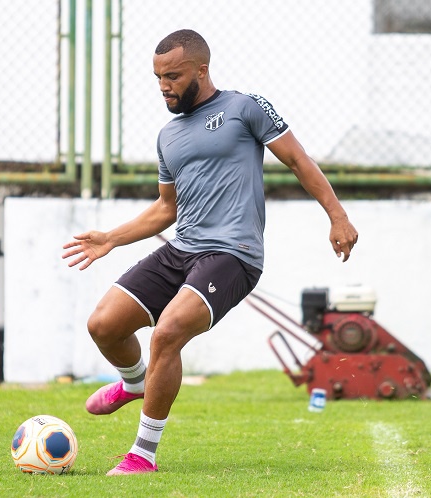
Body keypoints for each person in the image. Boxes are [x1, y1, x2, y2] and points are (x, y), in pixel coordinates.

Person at [62, 29, 358, 475]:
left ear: (202, 69)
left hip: (234, 254)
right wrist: (111, 239)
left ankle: (142, 455)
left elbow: (299, 160)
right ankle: (135, 382)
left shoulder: (245, 108)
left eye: (174, 76)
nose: (164, 86)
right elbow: (167, 208)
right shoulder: (167, 136)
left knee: (167, 333)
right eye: (158, 77)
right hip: (183, 248)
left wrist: (337, 216)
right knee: (103, 325)